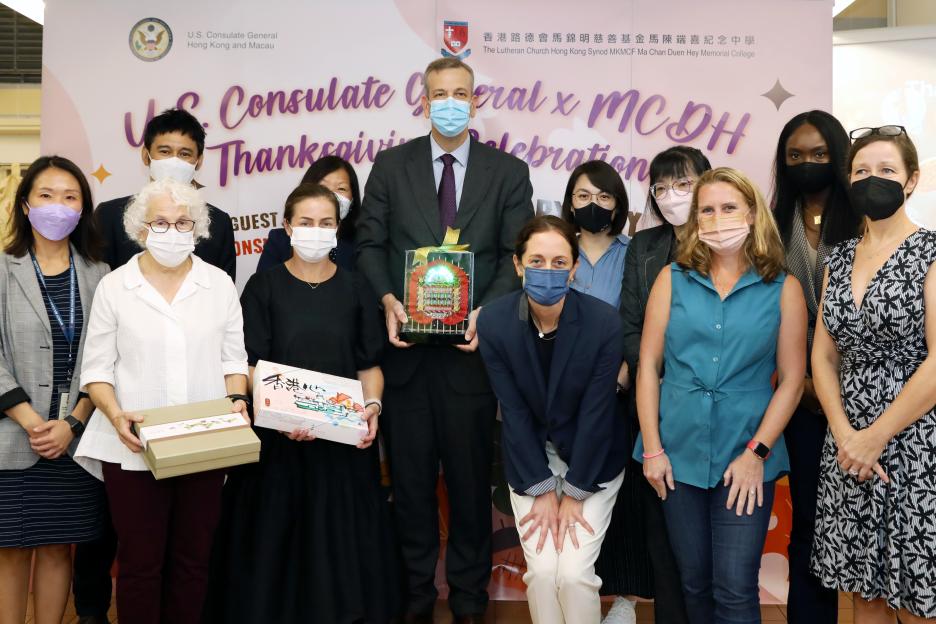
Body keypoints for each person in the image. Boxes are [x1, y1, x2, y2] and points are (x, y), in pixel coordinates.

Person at [355, 56, 533, 623]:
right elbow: (369, 246)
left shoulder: (508, 171)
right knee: (409, 488)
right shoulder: (391, 166)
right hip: (404, 359)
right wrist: (388, 298)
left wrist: (486, 312)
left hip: (470, 360)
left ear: (475, 101)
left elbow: (515, 255)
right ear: (423, 102)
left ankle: (469, 601)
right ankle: (414, 599)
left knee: (469, 487)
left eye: (460, 93)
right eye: (439, 94)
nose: (450, 102)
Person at [204, 183, 401, 623]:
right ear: (287, 227)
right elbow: (246, 364)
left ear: (338, 229)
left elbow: (369, 365)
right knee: (273, 546)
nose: (316, 230)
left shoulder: (357, 287)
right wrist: (282, 413)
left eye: (326, 223)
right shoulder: (263, 287)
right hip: (276, 448)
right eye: (306, 222)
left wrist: (372, 407)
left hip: (342, 448)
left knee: (342, 548)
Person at [76, 108, 237, 623]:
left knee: (192, 562)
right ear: (141, 229)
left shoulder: (219, 284)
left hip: (204, 440)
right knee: (140, 565)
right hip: (132, 443)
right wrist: (115, 414)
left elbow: (234, 359)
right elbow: (96, 370)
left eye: (183, 222)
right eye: (161, 222)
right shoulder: (114, 286)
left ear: (198, 227)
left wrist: (237, 401)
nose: (172, 230)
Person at [636, 167, 807, 624]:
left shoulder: (784, 288)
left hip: (746, 451)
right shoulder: (672, 278)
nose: (717, 219)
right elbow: (648, 367)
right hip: (676, 452)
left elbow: (793, 380)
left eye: (728, 207)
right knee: (693, 582)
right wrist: (652, 448)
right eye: (706, 210)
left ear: (752, 213)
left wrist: (756, 453)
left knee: (734, 587)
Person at [811, 126, 936, 623]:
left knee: (919, 597)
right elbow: (823, 357)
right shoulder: (837, 258)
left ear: (911, 180)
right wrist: (846, 435)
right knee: (865, 594)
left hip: (915, 438)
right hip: (847, 441)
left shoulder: (931, 252)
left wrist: (875, 437)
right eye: (861, 170)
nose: (872, 179)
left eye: (886, 170)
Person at [477, 215, 626, 624]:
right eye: (537, 261)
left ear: (574, 268)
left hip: (592, 461)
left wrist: (574, 491)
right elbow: (513, 411)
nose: (548, 270)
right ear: (518, 265)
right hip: (530, 459)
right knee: (543, 573)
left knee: (573, 575)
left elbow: (598, 412)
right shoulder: (494, 322)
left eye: (560, 262)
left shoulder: (603, 323)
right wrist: (542, 489)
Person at [0, 156, 109, 624]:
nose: (57, 206)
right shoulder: (3, 269)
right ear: (26, 205)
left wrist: (71, 423)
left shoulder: (100, 274)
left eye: (70, 197)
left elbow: (106, 358)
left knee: (58, 547)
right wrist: (32, 422)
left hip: (75, 439)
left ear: (83, 209)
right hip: (13, 435)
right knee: (10, 550)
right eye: (46, 195)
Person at [614, 145, 712, 624]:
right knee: (663, 537)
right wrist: (658, 378)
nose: (672, 195)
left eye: (684, 183)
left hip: (716, 407)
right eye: (661, 186)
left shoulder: (732, 244)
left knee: (714, 547)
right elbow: (630, 326)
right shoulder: (645, 246)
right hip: (656, 408)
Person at [770, 110, 860, 624]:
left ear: (839, 157)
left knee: (863, 523)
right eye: (796, 155)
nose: (808, 163)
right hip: (796, 396)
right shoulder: (770, 225)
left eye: (820, 154)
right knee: (808, 519)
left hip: (862, 399)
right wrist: (799, 382)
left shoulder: (865, 220)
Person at [255, 155, 361, 272]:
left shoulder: (362, 244)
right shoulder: (279, 241)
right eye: (322, 187)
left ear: (352, 199)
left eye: (341, 189)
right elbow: (264, 281)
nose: (331, 195)